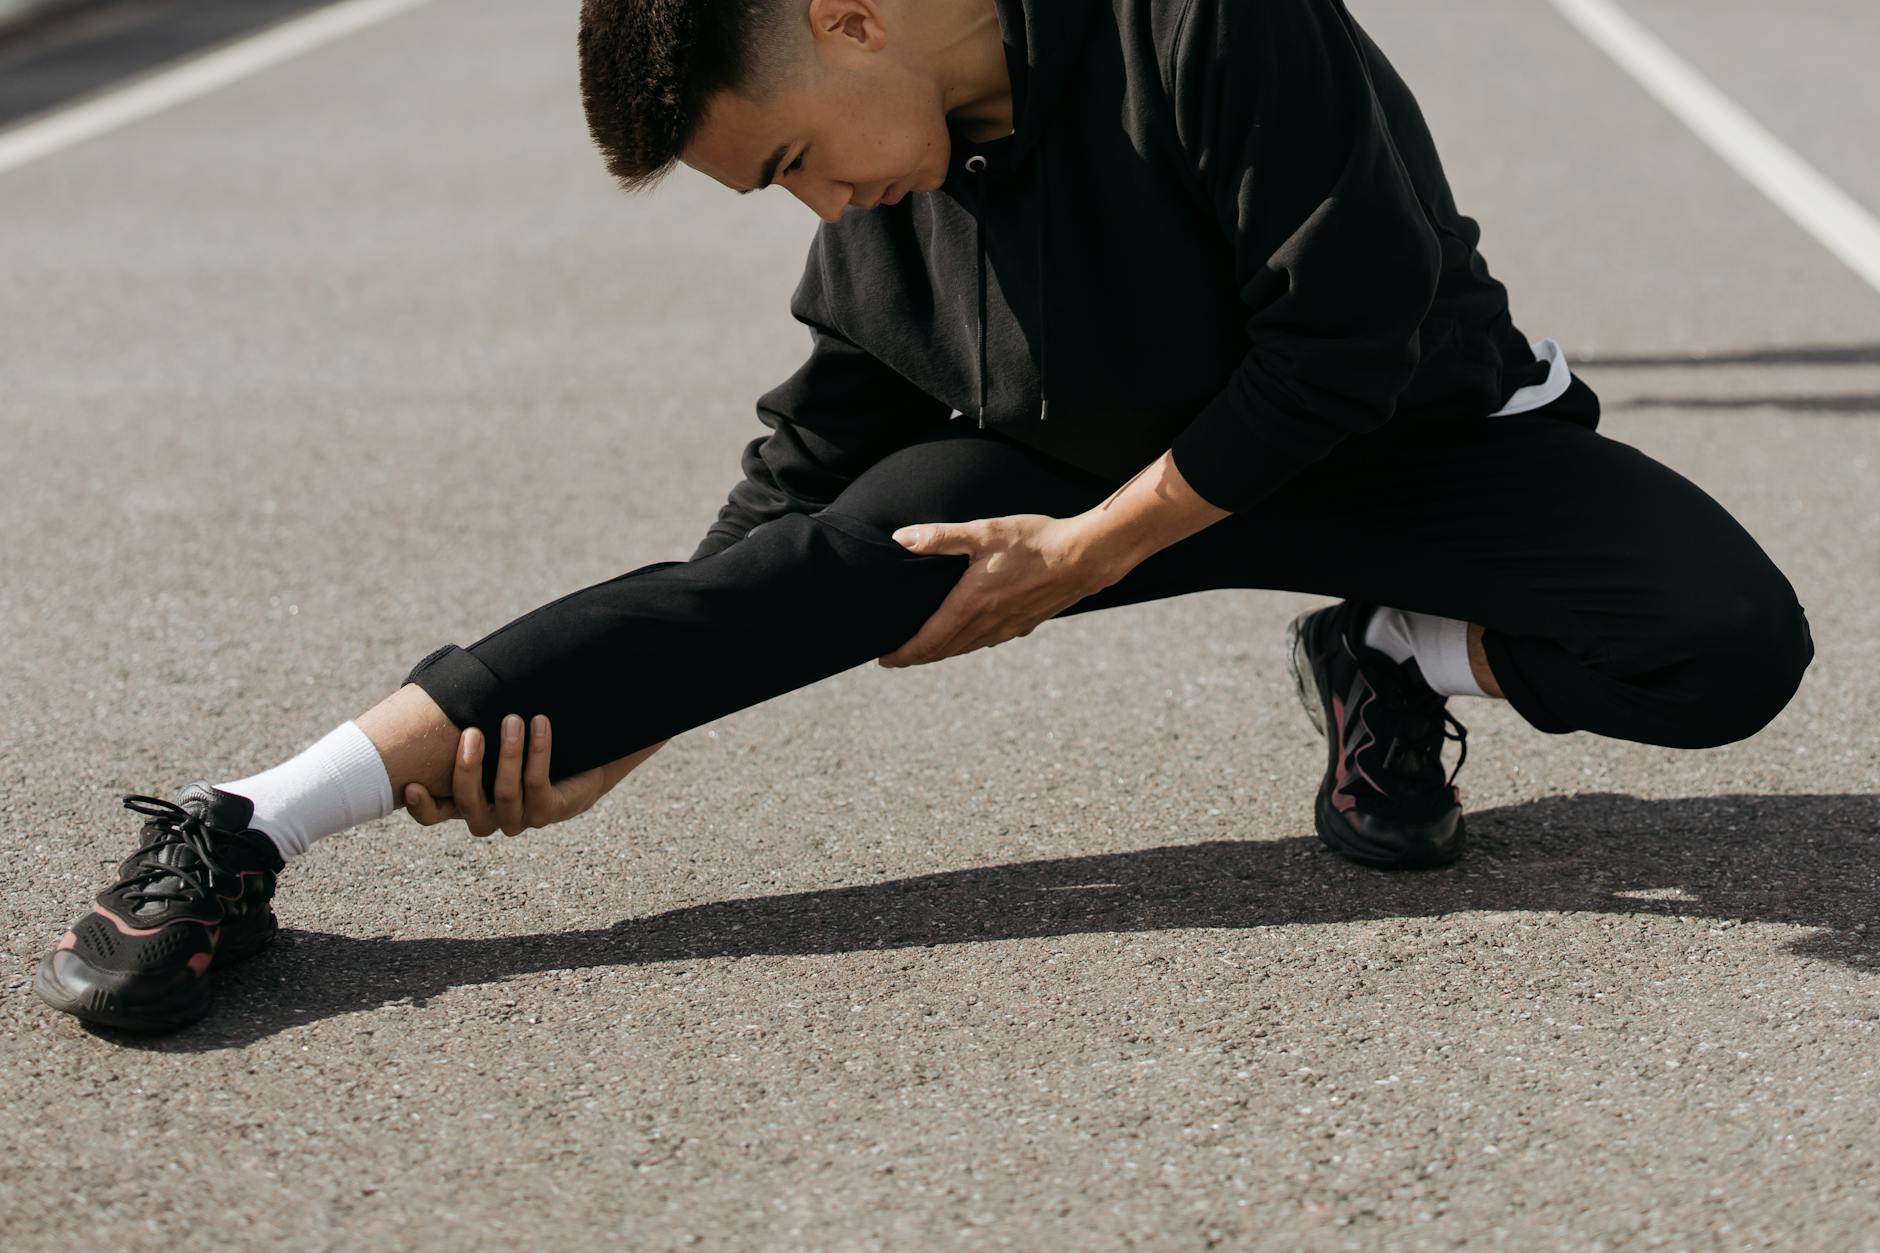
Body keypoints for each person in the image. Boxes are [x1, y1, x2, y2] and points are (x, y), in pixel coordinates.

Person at [35, 0, 1813, 1034]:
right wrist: (628, 728)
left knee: (1730, 644)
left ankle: (1394, 643)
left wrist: (1091, 552)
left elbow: (1347, 334)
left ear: (851, 12)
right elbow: (804, 473)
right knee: (819, 555)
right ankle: (247, 822)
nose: (811, 202)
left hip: (1407, 436)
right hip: (1089, 471)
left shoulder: (1203, 16)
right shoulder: (893, 175)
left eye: (791, 157)